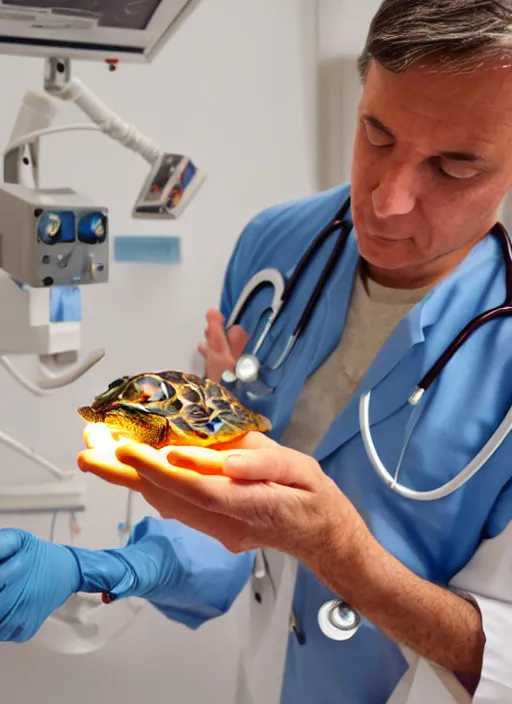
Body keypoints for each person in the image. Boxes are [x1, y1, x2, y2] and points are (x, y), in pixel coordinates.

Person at [1, 1, 512, 701]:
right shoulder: (279, 245)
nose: (388, 200)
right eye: (377, 134)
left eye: (453, 168)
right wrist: (103, 570)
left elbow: (503, 655)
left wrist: (338, 550)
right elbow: (234, 521)